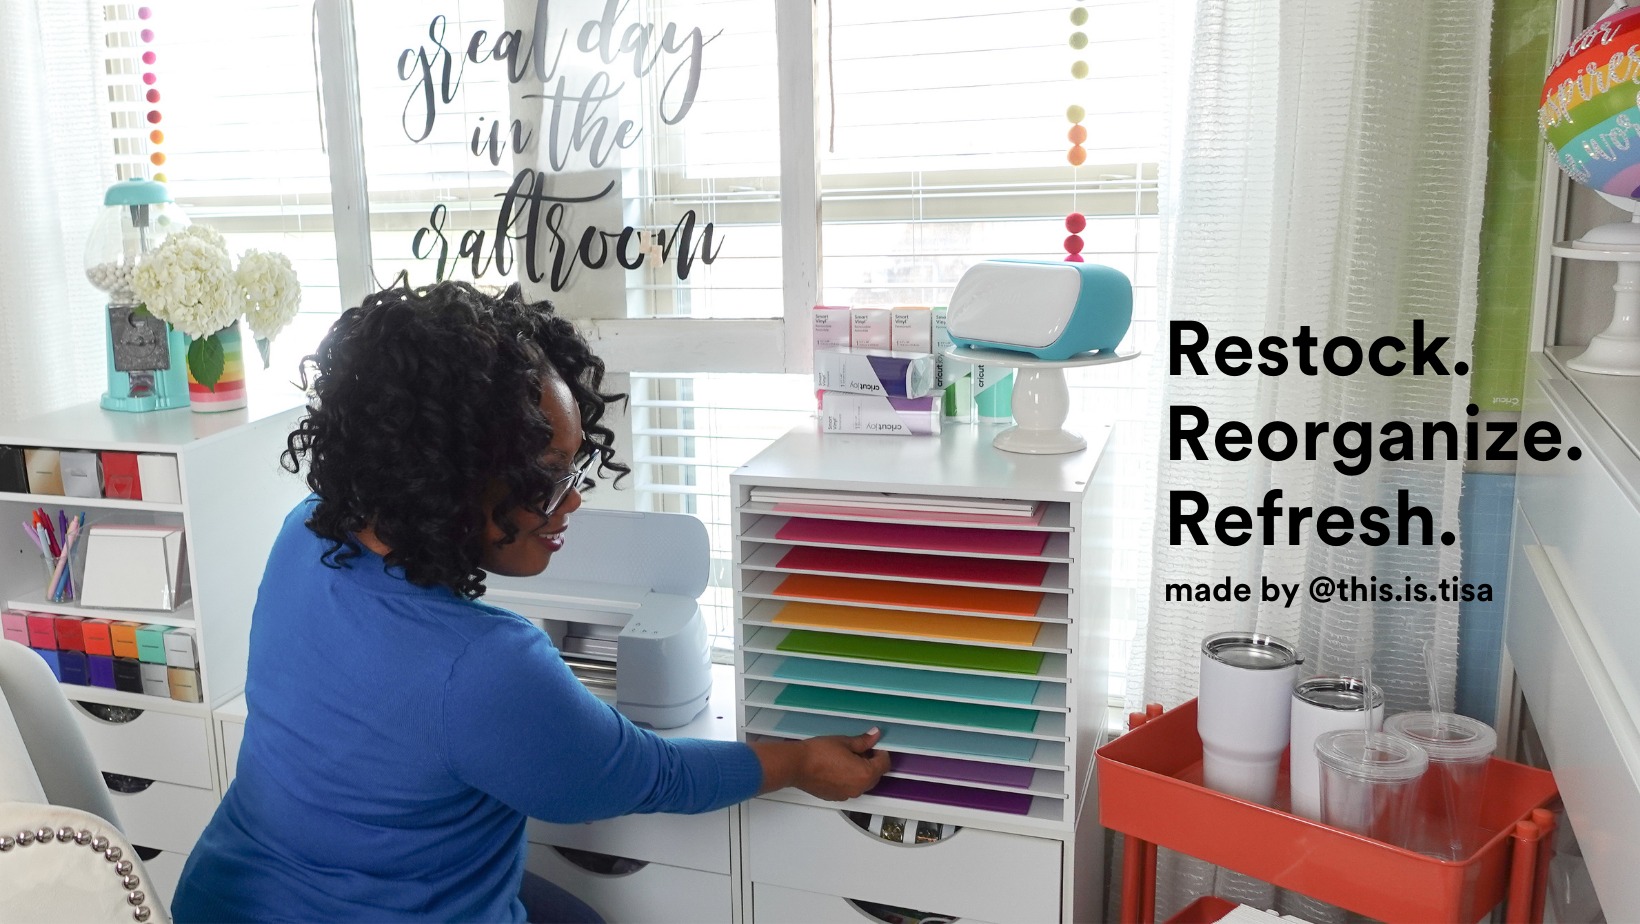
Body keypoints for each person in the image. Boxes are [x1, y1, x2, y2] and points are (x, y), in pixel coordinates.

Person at [172, 281, 890, 923]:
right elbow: (646, 774)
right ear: (448, 476)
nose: (572, 499)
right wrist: (798, 762)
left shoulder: (306, 532)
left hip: (224, 896)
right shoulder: (485, 664)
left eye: (575, 467)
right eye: (545, 479)